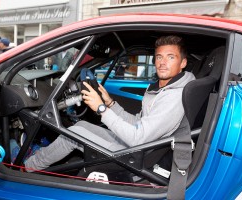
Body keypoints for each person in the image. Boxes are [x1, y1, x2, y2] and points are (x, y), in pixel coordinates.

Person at [24, 35, 196, 172]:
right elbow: (138, 124)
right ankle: (39, 156)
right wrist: (110, 104)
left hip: (135, 157)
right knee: (81, 125)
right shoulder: (163, 88)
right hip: (140, 146)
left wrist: (101, 109)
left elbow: (137, 138)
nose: (162, 62)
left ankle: (27, 167)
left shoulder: (174, 96)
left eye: (170, 57)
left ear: (183, 63)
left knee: (72, 136)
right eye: (159, 57)